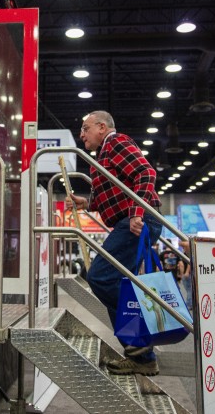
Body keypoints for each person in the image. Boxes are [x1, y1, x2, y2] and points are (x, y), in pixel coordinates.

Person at [66, 110, 162, 376]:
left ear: (101, 126)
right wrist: (88, 202)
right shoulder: (104, 153)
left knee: (99, 277)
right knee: (112, 282)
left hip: (136, 222)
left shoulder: (116, 141)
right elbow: (120, 189)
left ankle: (141, 343)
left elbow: (146, 173)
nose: (81, 134)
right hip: (130, 221)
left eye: (85, 128)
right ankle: (139, 354)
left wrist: (137, 213)